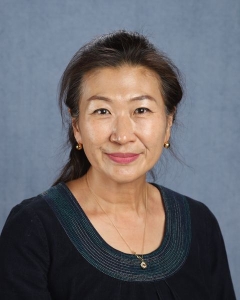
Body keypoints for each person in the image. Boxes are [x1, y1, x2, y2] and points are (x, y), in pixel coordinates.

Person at [0, 31, 236, 300]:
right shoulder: (34, 228)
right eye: (102, 111)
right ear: (77, 126)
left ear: (168, 123)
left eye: (141, 110)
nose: (122, 136)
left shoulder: (199, 222)